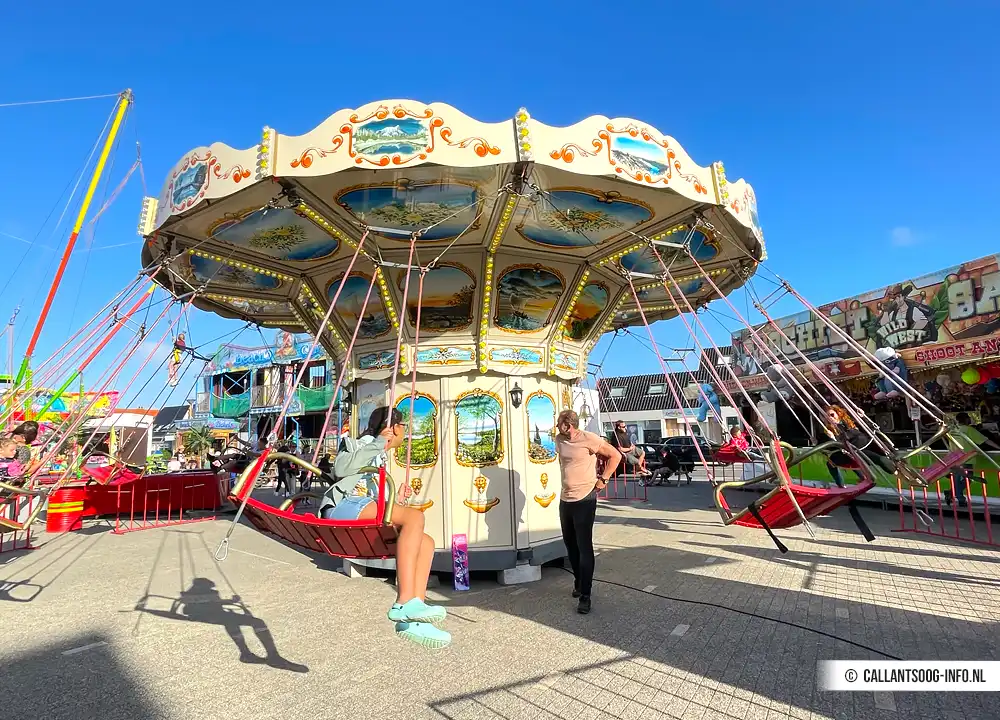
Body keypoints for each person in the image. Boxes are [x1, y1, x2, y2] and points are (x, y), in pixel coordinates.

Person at [318, 406, 450, 649]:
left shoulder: (379, 455)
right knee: (415, 518)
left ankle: (413, 618)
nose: (405, 434)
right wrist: (378, 443)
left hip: (362, 508)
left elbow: (377, 504)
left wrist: (396, 499)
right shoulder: (360, 443)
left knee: (427, 542)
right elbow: (341, 469)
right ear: (393, 428)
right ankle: (403, 602)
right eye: (404, 428)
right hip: (342, 506)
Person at [555, 409, 621, 615]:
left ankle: (586, 595)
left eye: (559, 423)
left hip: (585, 497)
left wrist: (604, 479)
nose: (557, 426)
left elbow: (615, 455)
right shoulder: (559, 439)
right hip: (565, 498)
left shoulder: (589, 439)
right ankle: (578, 580)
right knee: (570, 544)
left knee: (584, 546)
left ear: (569, 425)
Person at [822, 405, 895, 488]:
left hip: (866, 445)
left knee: (882, 452)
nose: (830, 418)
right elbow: (835, 446)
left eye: (832, 415)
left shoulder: (850, 423)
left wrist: (863, 417)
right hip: (855, 452)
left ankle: (896, 461)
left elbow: (867, 428)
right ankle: (841, 485)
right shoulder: (829, 430)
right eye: (827, 416)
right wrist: (832, 438)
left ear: (838, 414)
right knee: (832, 462)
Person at [947, 412, 1000, 507]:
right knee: (967, 479)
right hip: (966, 458)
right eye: (968, 418)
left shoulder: (952, 430)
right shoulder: (969, 430)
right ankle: (960, 499)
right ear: (966, 419)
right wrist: (998, 447)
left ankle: (951, 493)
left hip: (954, 458)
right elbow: (985, 440)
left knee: (958, 479)